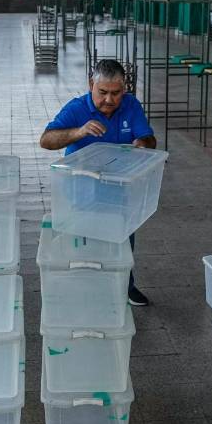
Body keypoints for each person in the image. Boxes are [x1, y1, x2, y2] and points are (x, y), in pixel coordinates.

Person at [39, 59, 156, 306]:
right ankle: (83, 288)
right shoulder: (76, 109)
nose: (109, 100)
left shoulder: (131, 106)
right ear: (91, 84)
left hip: (118, 188)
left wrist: (142, 144)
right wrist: (78, 132)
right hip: (80, 190)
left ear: (124, 89)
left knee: (122, 239)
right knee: (83, 241)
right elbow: (46, 140)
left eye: (116, 93)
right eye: (103, 92)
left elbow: (148, 138)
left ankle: (125, 285)